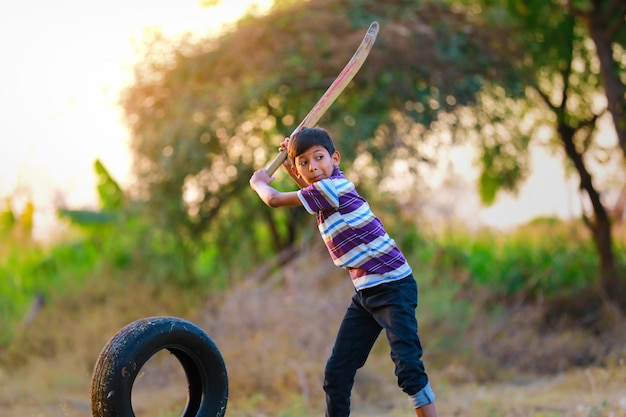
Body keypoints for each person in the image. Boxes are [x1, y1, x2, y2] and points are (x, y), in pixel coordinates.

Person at [249, 127, 438, 417]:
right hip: (366, 293)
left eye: (319, 157)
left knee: (408, 367)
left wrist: (260, 182)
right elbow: (306, 187)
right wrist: (289, 162)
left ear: (335, 158)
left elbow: (274, 199)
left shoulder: (332, 189)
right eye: (304, 162)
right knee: (336, 374)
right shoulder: (323, 191)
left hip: (393, 286)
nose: (313, 167)